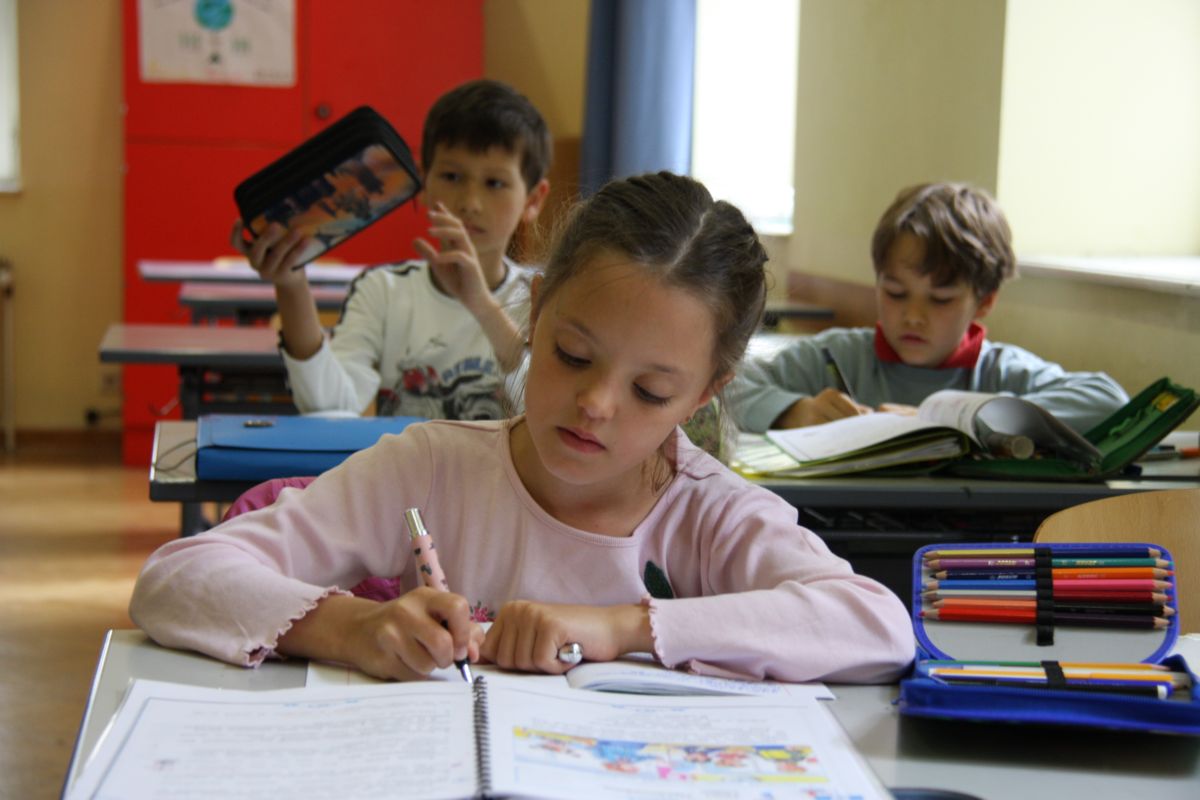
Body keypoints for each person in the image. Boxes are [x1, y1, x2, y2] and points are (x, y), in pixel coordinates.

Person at [131, 172, 914, 684]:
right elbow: (175, 579)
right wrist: (354, 627)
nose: (596, 403)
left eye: (649, 390)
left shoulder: (708, 514)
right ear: (535, 315)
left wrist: (620, 628)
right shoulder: (430, 469)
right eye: (572, 355)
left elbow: (877, 628)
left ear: (705, 393)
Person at [232, 79, 552, 418]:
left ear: (533, 200)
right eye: (452, 177)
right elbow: (329, 407)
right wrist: (291, 283)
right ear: (423, 183)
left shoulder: (540, 297)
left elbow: (547, 409)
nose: (470, 202)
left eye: (495, 183)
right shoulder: (382, 290)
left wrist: (482, 305)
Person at [728, 182, 1129, 433]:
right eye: (895, 293)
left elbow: (1109, 400)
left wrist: (959, 417)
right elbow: (725, 385)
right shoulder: (836, 358)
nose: (913, 317)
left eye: (941, 299)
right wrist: (792, 411)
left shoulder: (1001, 372)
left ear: (985, 301)